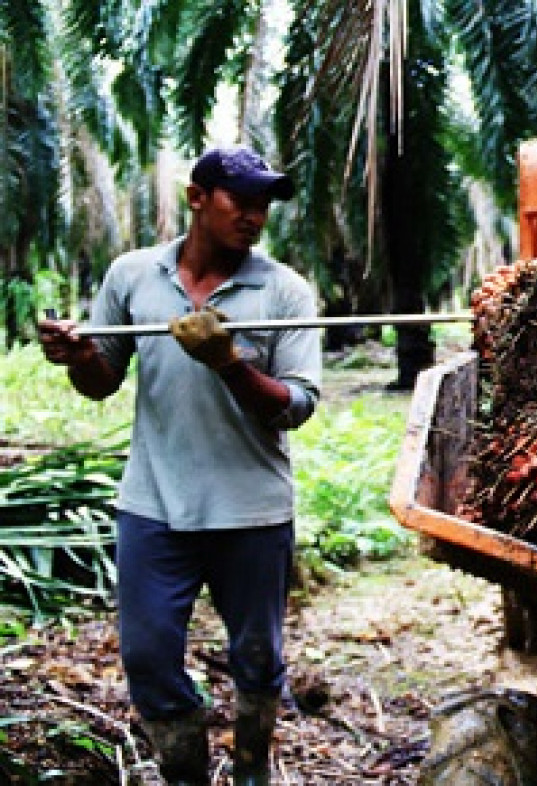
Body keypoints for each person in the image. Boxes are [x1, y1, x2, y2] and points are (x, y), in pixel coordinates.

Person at [38, 145, 322, 786]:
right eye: (240, 201)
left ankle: (252, 768)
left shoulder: (283, 289)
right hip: (154, 507)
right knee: (147, 656)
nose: (254, 216)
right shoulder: (134, 276)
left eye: (263, 206)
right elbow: (103, 380)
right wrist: (76, 355)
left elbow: (296, 406)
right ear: (197, 197)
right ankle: (185, 769)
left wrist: (229, 362)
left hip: (251, 510)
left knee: (257, 657)